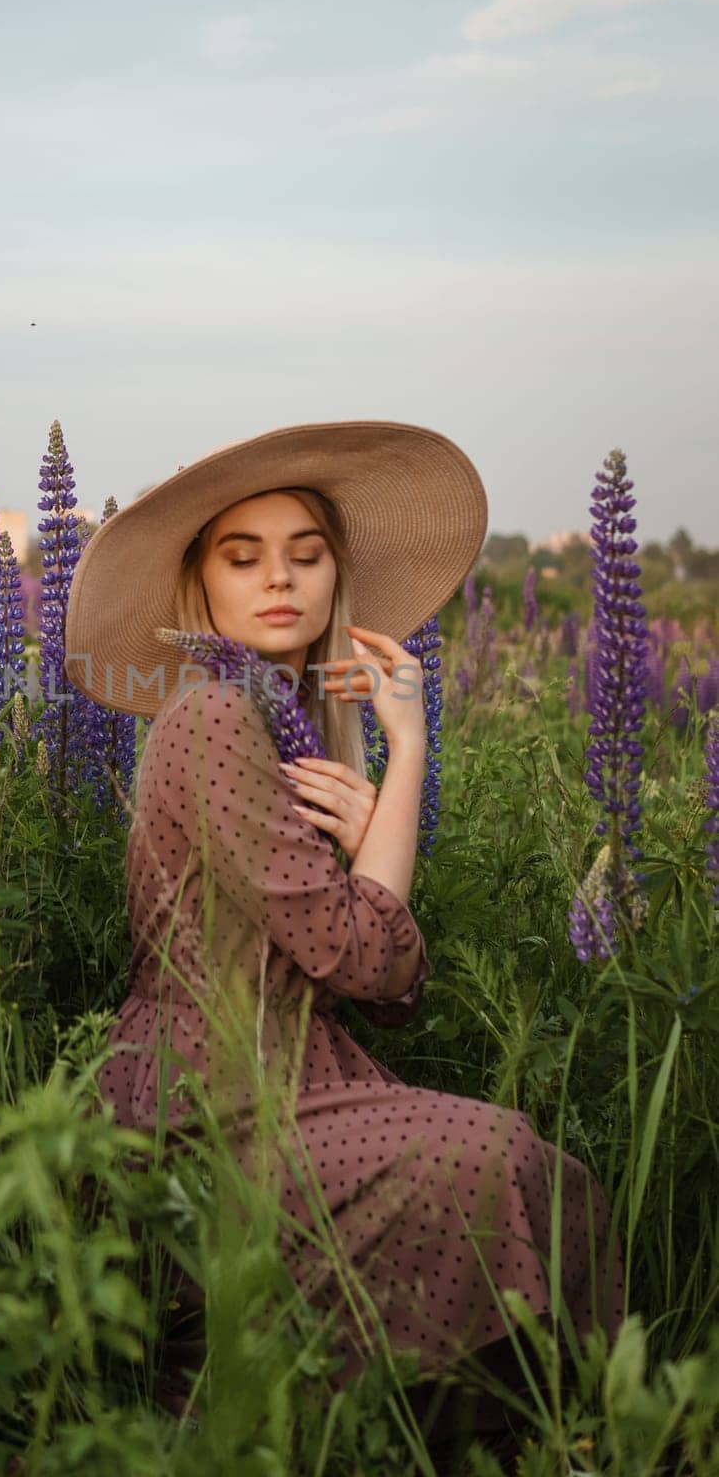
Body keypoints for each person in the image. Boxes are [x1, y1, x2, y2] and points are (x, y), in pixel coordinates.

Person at [63, 421, 625, 1437]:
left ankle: (492, 1442)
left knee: (520, 1171)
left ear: (334, 578)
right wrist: (403, 764)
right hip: (214, 1105)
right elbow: (368, 960)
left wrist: (365, 769)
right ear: (200, 587)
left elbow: (381, 987)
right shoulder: (213, 716)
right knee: (499, 1164)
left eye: (306, 554)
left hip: (277, 1079)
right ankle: (567, 1440)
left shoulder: (273, 716)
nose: (278, 578)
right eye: (242, 556)